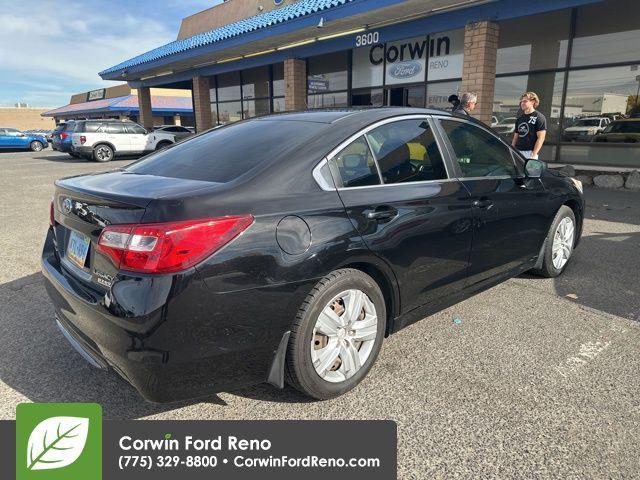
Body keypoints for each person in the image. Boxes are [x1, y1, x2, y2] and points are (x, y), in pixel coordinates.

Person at [512, 92, 546, 159]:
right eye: (521, 101)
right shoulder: (519, 119)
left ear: (533, 102)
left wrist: (533, 154)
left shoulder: (539, 117)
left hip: (530, 153)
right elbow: (515, 137)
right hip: (517, 152)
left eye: (525, 101)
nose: (522, 103)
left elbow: (541, 138)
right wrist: (512, 150)